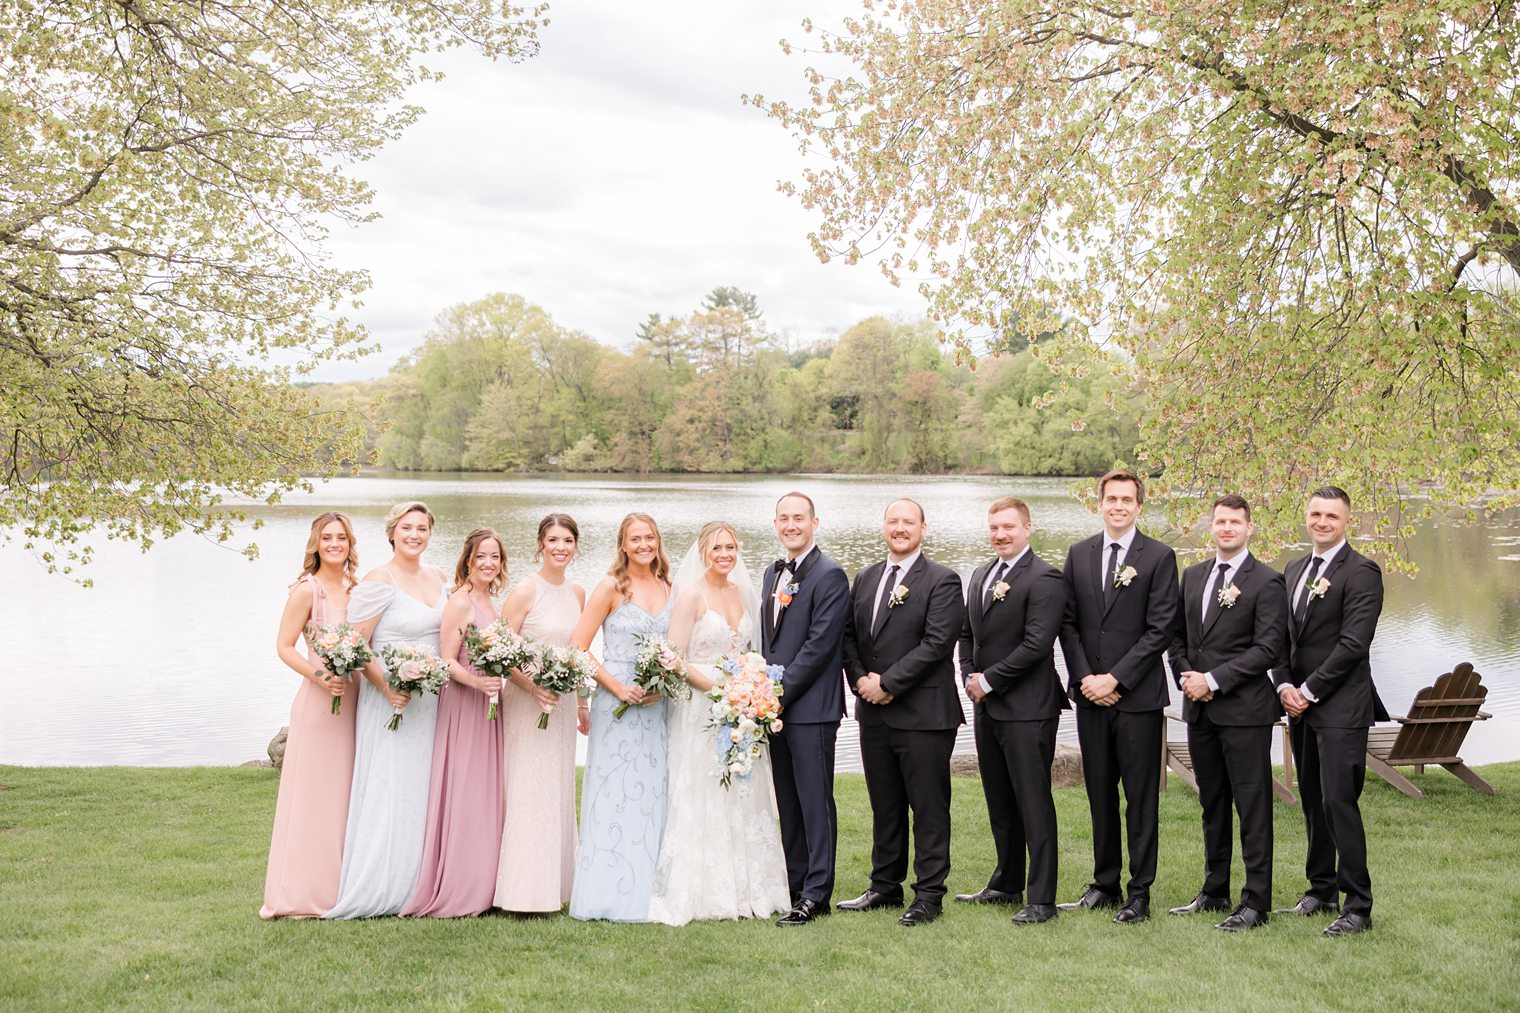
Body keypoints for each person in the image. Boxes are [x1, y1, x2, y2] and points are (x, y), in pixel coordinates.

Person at [649, 521, 792, 925]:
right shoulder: (691, 596)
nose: (725, 554)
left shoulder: (745, 594)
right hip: (700, 705)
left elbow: (751, 651)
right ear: (702, 552)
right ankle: (706, 888)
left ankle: (752, 885)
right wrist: (717, 687)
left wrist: (750, 690)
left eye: (730, 547)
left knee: (743, 789)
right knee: (704, 788)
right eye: (717, 548)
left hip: (740, 706)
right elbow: (673, 659)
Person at [1057, 469, 1179, 925]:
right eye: (1111, 498)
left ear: (1139, 506)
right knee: (1100, 793)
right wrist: (1088, 677)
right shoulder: (1079, 554)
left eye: (1127, 499)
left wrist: (1117, 679)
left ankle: (1139, 892)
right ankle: (1104, 883)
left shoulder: (1160, 557)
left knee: (1141, 797)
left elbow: (1160, 629)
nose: (1119, 506)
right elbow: (1067, 624)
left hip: (1137, 699)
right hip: (1090, 696)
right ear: (1100, 504)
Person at [840, 498, 966, 927]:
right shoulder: (867, 577)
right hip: (873, 713)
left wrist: (887, 684)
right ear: (884, 527)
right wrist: (860, 681)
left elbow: (936, 645)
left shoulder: (942, 580)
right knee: (885, 803)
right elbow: (849, 637)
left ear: (923, 528)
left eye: (907, 522)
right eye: (892, 521)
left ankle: (929, 894)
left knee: (929, 807)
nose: (899, 528)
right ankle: (884, 886)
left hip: (924, 715)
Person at [1166, 495, 1286, 931]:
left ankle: (1255, 902)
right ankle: (1214, 891)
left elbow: (1268, 649)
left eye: (1235, 522)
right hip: (1198, 712)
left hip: (1244, 713)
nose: (1227, 528)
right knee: (1212, 804)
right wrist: (1185, 674)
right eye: (1220, 521)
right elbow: (1176, 637)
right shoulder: (1194, 575)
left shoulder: (1267, 581)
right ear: (1211, 526)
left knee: (1253, 808)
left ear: (1249, 527)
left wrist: (1212, 680)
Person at [1272, 485, 1387, 937]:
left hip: (1340, 706)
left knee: (1340, 801)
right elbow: (1281, 637)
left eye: (1331, 516)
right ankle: (1321, 890)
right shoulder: (1295, 568)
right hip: (1297, 704)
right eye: (1316, 513)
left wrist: (1309, 689)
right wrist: (1283, 683)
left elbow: (1354, 645)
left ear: (1347, 522)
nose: (1322, 522)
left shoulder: (1362, 572)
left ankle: (1358, 905)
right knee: (1312, 800)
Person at [326, 501, 448, 919]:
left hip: (432, 700)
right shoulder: (380, 580)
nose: (415, 535)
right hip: (389, 701)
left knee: (424, 787)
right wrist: (388, 686)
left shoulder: (440, 576)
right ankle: (381, 883)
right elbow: (356, 643)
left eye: (422, 528)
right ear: (392, 532)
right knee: (391, 784)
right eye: (407, 528)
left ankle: (420, 882)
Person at [956, 497, 1068, 926]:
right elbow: (968, 635)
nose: (1000, 534)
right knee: (999, 798)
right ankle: (1006, 881)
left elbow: (1037, 645)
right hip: (988, 706)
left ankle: (1042, 899)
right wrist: (969, 675)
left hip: (1029, 709)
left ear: (1027, 527)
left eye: (1008, 527)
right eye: (994, 528)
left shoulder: (1045, 578)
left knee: (1033, 802)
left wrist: (989, 680)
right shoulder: (982, 574)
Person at [567, 513, 673, 922]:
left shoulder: (669, 586)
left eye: (650, 537)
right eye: (635, 539)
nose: (644, 545)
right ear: (623, 545)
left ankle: (650, 887)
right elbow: (578, 647)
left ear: (657, 541)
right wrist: (615, 687)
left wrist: (663, 684)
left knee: (653, 792)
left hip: (657, 705)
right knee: (615, 792)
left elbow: (677, 646)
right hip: (617, 705)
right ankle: (607, 889)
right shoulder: (611, 587)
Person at [261, 511, 362, 919]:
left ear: (350, 543)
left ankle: (345, 887)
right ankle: (302, 893)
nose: (335, 543)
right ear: (316, 545)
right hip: (320, 703)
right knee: (314, 795)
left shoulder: (359, 588)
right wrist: (322, 676)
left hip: (355, 701)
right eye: (327, 538)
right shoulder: (307, 590)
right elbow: (284, 646)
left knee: (346, 795)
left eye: (341, 537)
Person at [402, 528, 507, 917]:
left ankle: (487, 882)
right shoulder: (461, 602)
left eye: (495, 557)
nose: (488, 563)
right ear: (468, 559)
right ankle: (462, 886)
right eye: (481, 556)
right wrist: (480, 683)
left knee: (486, 792)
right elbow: (447, 661)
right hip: (465, 703)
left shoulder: (490, 601)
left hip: (490, 706)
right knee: (465, 790)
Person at [762, 491, 850, 927]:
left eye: (799, 518)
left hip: (811, 708)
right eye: (784, 518)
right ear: (776, 524)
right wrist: (758, 692)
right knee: (788, 802)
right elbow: (771, 642)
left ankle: (817, 893)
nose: (791, 525)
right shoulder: (771, 573)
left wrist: (777, 693)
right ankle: (795, 885)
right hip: (774, 708)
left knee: (815, 802)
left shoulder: (831, 575)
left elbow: (818, 647)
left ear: (816, 521)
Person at [494, 514, 586, 913]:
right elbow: (498, 652)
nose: (560, 547)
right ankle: (521, 891)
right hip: (525, 703)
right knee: (528, 788)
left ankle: (559, 884)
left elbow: (578, 652)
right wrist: (532, 686)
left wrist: (582, 701)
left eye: (567, 540)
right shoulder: (524, 591)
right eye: (553, 540)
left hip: (562, 705)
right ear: (540, 544)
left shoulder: (579, 593)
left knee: (558, 788)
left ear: (576, 546)